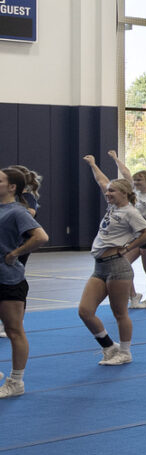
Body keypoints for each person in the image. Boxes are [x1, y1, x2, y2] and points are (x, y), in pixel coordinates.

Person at [78, 157, 146, 365]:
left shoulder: (131, 212)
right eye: (108, 191)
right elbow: (102, 181)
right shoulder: (113, 208)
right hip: (100, 267)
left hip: (117, 267)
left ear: (124, 193)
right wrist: (93, 165)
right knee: (85, 311)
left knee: (119, 313)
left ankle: (125, 352)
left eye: (112, 191)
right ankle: (108, 346)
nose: (108, 193)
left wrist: (128, 247)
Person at [0, 166, 49, 397]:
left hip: (8, 280)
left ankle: (16, 381)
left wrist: (15, 253)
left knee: (13, 330)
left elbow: (41, 237)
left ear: (12, 187)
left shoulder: (17, 211)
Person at [106, 151, 146, 309]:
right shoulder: (133, 194)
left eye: (139, 180)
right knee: (124, 264)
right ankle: (134, 296)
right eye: (135, 180)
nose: (135, 182)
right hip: (136, 237)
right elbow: (125, 172)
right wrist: (116, 158)